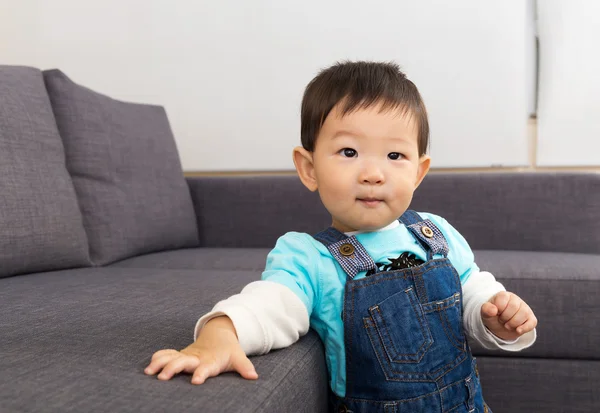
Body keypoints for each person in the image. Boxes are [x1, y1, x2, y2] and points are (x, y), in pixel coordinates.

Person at [144, 61, 537, 412]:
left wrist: (496, 316)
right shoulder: (309, 257)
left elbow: (471, 289)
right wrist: (220, 334)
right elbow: (270, 304)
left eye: (394, 156)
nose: (372, 173)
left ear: (419, 171)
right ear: (309, 168)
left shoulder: (435, 233)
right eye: (349, 152)